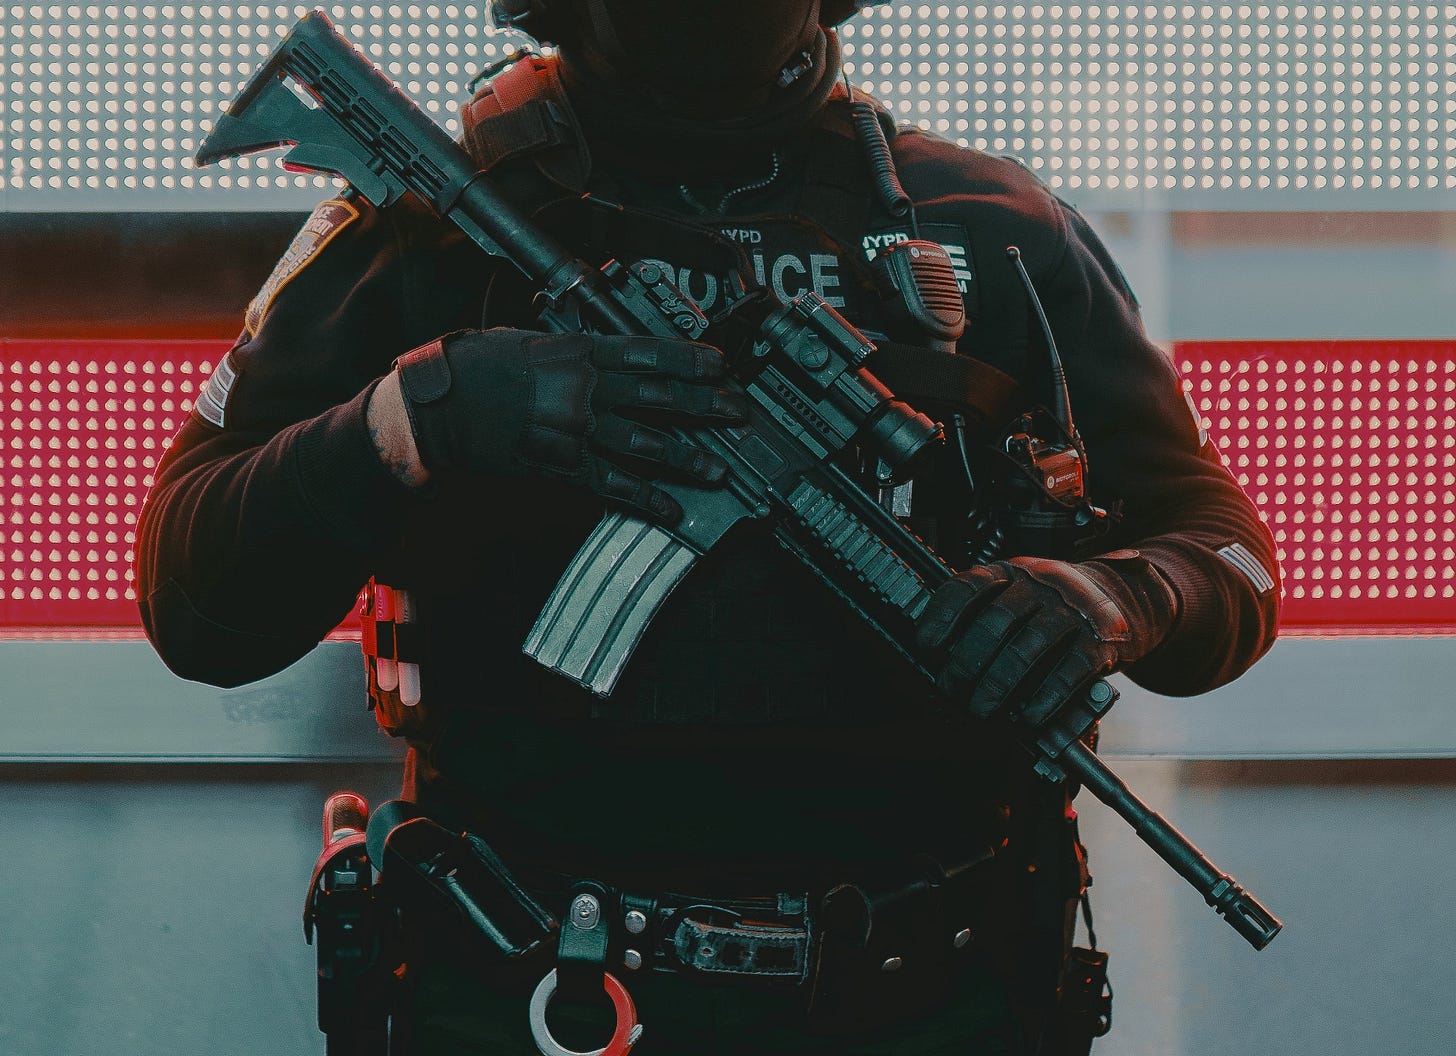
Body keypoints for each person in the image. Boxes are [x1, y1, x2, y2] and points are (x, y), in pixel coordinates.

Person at [136, 1, 1280, 1052]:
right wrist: (421, 415)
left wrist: (1109, 600)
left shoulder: (994, 229)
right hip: (541, 990)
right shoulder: (422, 230)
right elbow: (195, 601)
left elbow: (1217, 544)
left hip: (945, 991)